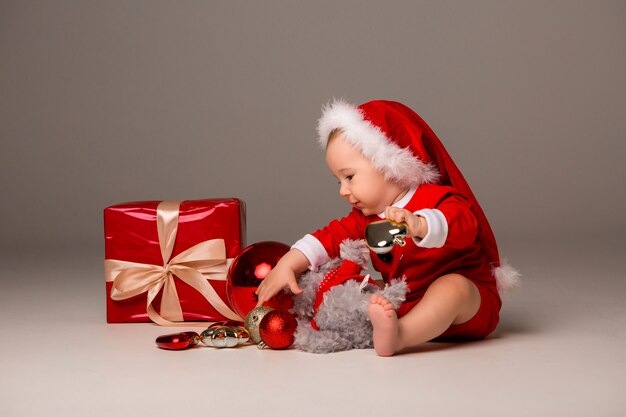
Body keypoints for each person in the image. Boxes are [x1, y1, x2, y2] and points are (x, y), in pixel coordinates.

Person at [255, 99, 518, 356]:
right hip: (409, 297)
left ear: (389, 164)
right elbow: (328, 238)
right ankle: (378, 323)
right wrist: (288, 264)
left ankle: (400, 335)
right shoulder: (364, 216)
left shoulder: (435, 197)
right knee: (362, 285)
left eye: (349, 177)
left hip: (469, 308)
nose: (344, 191)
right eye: (338, 182)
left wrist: (421, 224)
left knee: (452, 288)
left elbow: (464, 224)